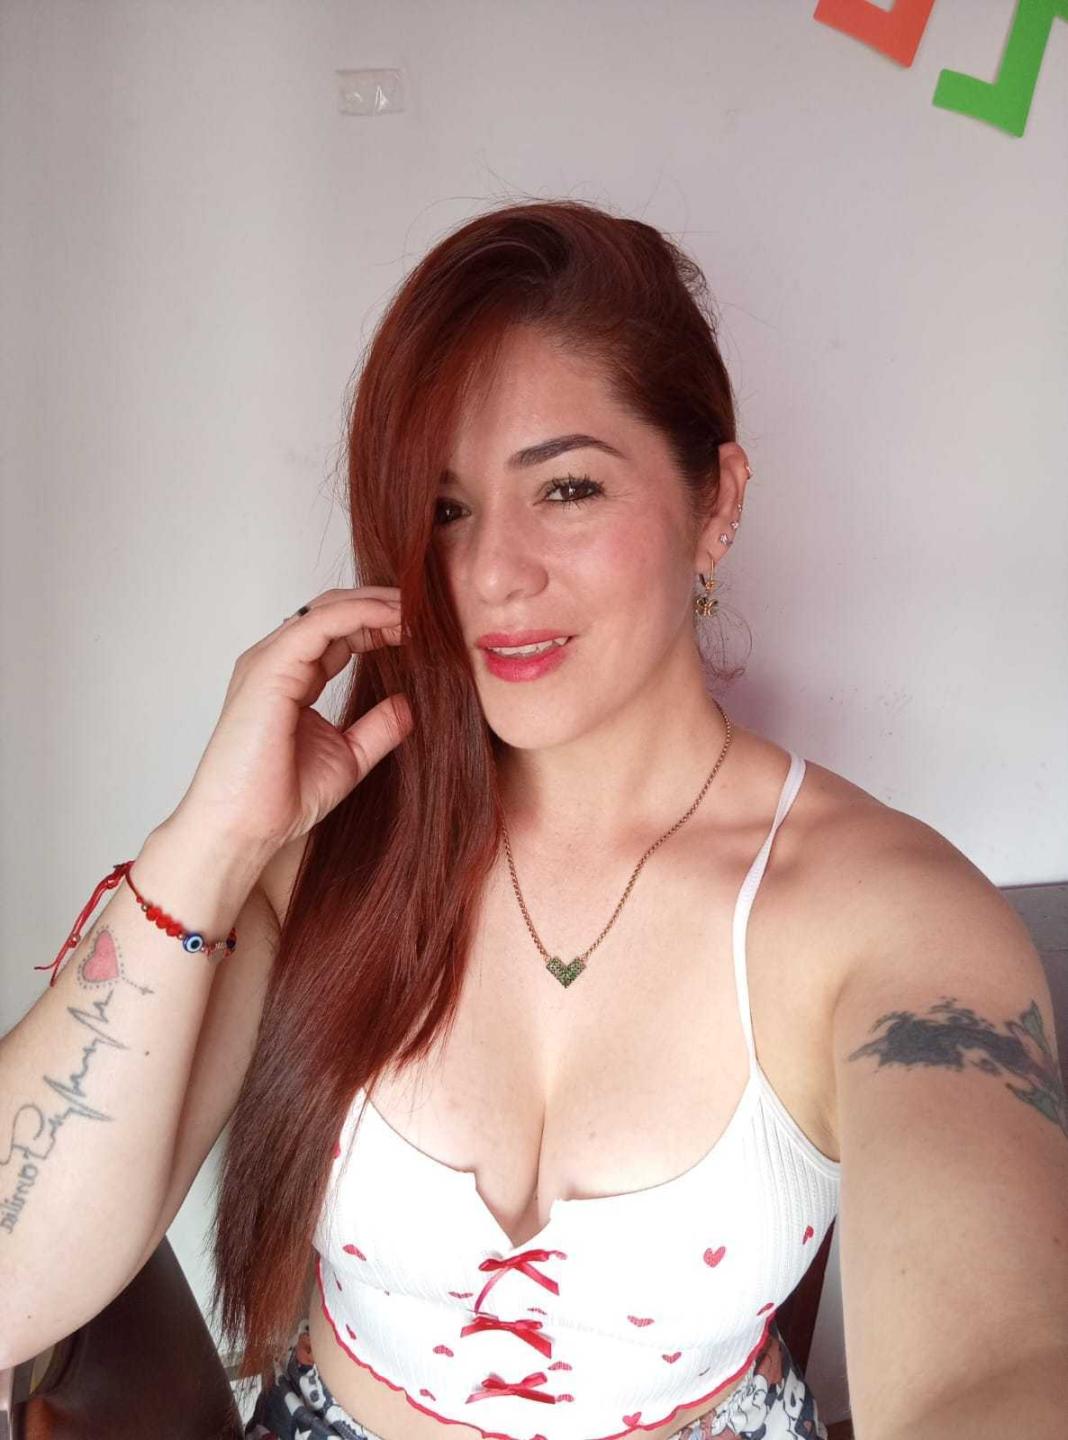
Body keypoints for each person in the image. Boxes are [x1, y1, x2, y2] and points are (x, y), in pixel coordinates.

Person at [6, 198, 1059, 1440]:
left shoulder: (886, 914)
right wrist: (211, 842)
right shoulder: (329, 855)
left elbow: (999, 1363)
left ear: (716, 502)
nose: (492, 573)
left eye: (565, 487)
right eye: (446, 509)